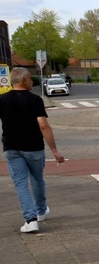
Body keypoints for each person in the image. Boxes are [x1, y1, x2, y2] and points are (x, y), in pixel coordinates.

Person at [0, 68, 65, 233]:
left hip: (11, 148)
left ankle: (30, 220)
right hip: (34, 148)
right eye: (30, 79)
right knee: (37, 179)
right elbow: (43, 126)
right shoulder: (35, 100)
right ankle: (41, 211)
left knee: (20, 183)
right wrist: (54, 150)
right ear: (23, 80)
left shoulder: (2, 99)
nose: (32, 82)